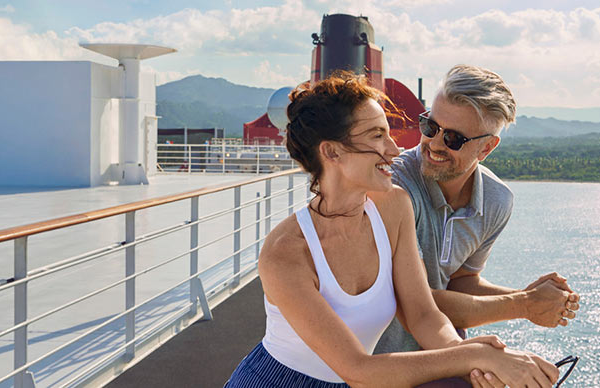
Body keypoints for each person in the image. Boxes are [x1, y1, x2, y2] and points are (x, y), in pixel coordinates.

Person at [224, 72, 559, 388]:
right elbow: (357, 370)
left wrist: (471, 361)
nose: (395, 150)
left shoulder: (394, 204)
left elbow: (423, 314)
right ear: (331, 151)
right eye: (376, 136)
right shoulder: (285, 252)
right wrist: (474, 354)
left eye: (389, 133)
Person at [375, 65, 581, 379]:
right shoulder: (394, 188)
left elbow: (460, 281)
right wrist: (523, 304)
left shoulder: (496, 201)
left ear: (486, 147)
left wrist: (528, 297)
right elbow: (410, 302)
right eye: (430, 126)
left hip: (444, 360)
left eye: (454, 138)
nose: (435, 143)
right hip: (381, 365)